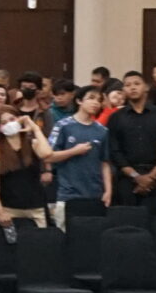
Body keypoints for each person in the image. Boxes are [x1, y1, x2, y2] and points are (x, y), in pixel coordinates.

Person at [107, 71, 156, 213]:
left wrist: (151, 177)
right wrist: (136, 176)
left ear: (146, 87)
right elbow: (115, 150)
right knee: (128, 223)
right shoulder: (116, 118)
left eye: (137, 84)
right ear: (123, 90)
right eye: (128, 85)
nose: (132, 88)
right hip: (126, 179)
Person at [47, 85, 112, 223]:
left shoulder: (102, 131)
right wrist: (74, 151)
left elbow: (104, 163)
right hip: (68, 195)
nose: (95, 103)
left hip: (95, 194)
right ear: (79, 101)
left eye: (99, 100)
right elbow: (50, 156)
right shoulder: (63, 125)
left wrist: (108, 190)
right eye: (91, 98)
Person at [0, 113, 53, 231]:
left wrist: (34, 127)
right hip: (9, 208)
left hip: (36, 207)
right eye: (4, 123)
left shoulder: (32, 143)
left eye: (12, 119)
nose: (9, 124)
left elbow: (47, 153)